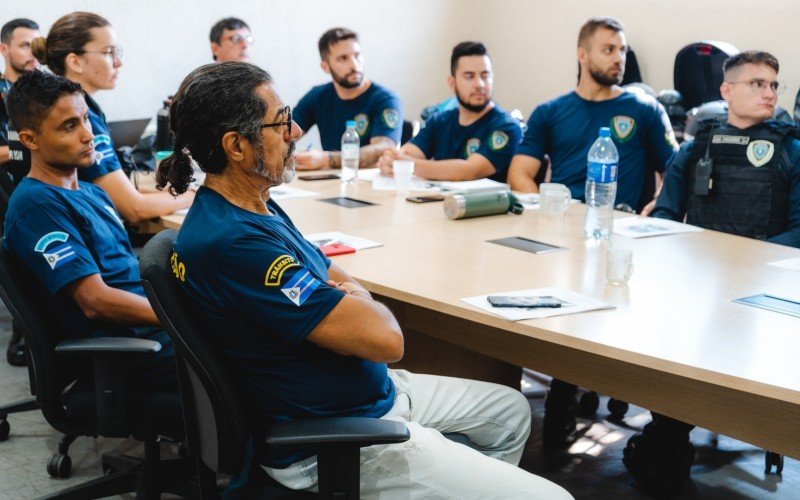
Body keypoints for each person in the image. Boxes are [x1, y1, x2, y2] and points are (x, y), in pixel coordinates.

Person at [157, 61, 572, 499]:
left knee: (510, 411)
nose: (296, 131)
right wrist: (355, 301)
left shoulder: (251, 203)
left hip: (366, 393)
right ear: (236, 146)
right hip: (337, 436)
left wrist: (353, 296)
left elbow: (328, 269)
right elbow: (386, 340)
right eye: (281, 122)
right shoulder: (236, 245)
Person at [3, 69, 175, 386]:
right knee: (253, 350)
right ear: (30, 139)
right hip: (129, 348)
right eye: (70, 126)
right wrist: (185, 319)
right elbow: (96, 303)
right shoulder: (38, 206)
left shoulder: (91, 191)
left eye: (86, 120)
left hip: (151, 325)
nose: (88, 135)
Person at [6, 11, 193, 224]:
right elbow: (133, 207)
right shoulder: (81, 118)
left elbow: (116, 183)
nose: (118, 62)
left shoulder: (43, 108)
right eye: (109, 52)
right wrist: (194, 194)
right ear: (75, 62)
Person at [507, 16, 678, 213]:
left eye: (622, 50)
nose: (619, 58)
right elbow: (519, 173)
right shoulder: (549, 112)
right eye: (608, 50)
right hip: (562, 221)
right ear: (583, 55)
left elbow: (674, 172)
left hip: (617, 223)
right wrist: (544, 211)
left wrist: (658, 204)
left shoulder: (646, 109)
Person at [651, 51, 800, 248]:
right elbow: (664, 217)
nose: (770, 94)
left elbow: (798, 234)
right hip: (700, 264)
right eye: (757, 84)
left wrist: (742, 256)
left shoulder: (792, 151)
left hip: (764, 271)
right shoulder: (693, 150)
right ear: (726, 91)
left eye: (774, 85)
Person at [377, 41, 521, 182]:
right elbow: (409, 152)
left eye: (485, 76)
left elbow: (470, 171)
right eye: (469, 76)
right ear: (452, 84)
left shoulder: (507, 126)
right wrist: (391, 160)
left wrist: (408, 164)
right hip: (438, 202)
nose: (479, 84)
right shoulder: (439, 120)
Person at [293, 27, 402, 170]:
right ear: (325, 66)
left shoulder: (385, 99)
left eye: (357, 55)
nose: (354, 65)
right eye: (343, 58)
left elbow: (383, 149)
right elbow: (285, 135)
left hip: (369, 183)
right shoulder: (317, 96)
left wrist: (327, 159)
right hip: (329, 181)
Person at [1, 18, 40, 166]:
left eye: (37, 45)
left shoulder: (48, 90)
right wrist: (27, 149)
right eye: (25, 45)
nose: (34, 52)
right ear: (3, 49)